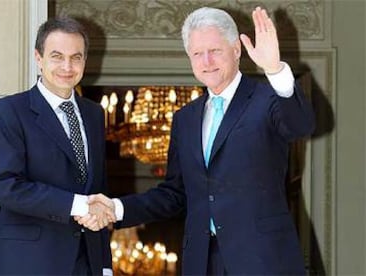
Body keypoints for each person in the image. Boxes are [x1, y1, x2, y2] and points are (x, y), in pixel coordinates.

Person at [79, 6, 315, 275]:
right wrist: (117, 208)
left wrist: (275, 70)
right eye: (197, 54)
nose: (207, 61)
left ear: (236, 49)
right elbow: (175, 193)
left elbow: (300, 125)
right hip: (201, 262)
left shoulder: (268, 100)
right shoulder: (186, 118)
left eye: (215, 51)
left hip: (263, 260)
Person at [0, 17, 115, 275]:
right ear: (38, 57)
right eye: (57, 56)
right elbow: (6, 187)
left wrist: (104, 265)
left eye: (76, 57)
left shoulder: (94, 114)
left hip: (86, 264)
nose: (67, 66)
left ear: (84, 61)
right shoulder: (10, 111)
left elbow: (97, 189)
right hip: (29, 263)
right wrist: (78, 205)